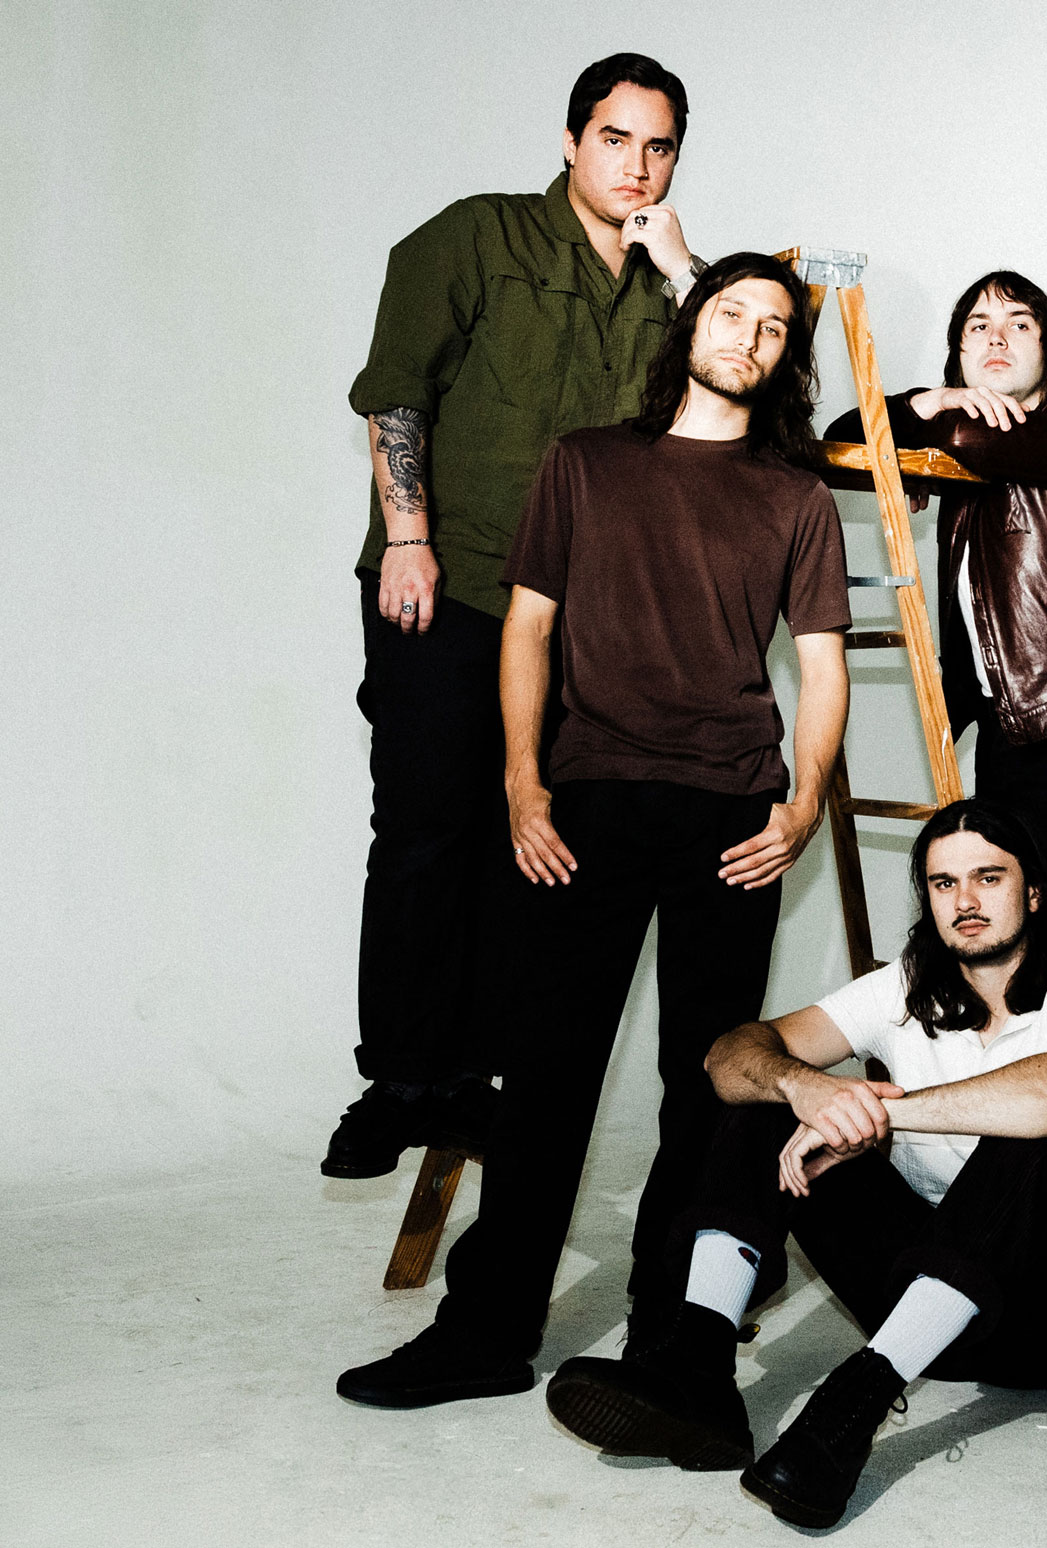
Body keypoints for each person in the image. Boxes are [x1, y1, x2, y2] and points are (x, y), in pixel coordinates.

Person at [336, 252, 853, 1409]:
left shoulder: (794, 496)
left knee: (707, 1083)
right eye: (732, 312)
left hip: (731, 816)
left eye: (774, 327)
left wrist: (803, 801)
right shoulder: (587, 461)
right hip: (589, 804)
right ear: (692, 326)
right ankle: (484, 1332)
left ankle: (672, 1331)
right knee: (545, 1080)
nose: (750, 336)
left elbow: (821, 669)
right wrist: (523, 786)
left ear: (785, 358)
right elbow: (527, 629)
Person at [541, 800, 1047, 1529]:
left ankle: (847, 1413)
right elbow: (727, 1055)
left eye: (989, 877)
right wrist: (811, 1089)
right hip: (930, 1311)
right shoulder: (903, 986)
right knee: (767, 1094)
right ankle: (697, 1366)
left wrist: (878, 1111)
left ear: (1033, 893)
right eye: (945, 884)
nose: (968, 901)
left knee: (1035, 1130)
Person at [326, 52, 707, 1179]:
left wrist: (687, 278)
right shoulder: (475, 237)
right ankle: (398, 1079)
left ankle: (477, 1078)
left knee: (529, 837)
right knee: (423, 826)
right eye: (613, 138)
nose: (635, 165)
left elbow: (744, 396)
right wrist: (407, 536)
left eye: (658, 146)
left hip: (576, 616)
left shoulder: (669, 284)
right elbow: (399, 390)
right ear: (569, 140)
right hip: (446, 581)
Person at [825, 271, 1047, 1262]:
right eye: (976, 325)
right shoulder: (958, 431)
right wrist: (924, 404)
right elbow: (852, 438)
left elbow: (990, 438)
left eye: (1018, 323)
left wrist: (943, 410)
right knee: (1031, 977)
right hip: (1011, 734)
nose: (995, 335)